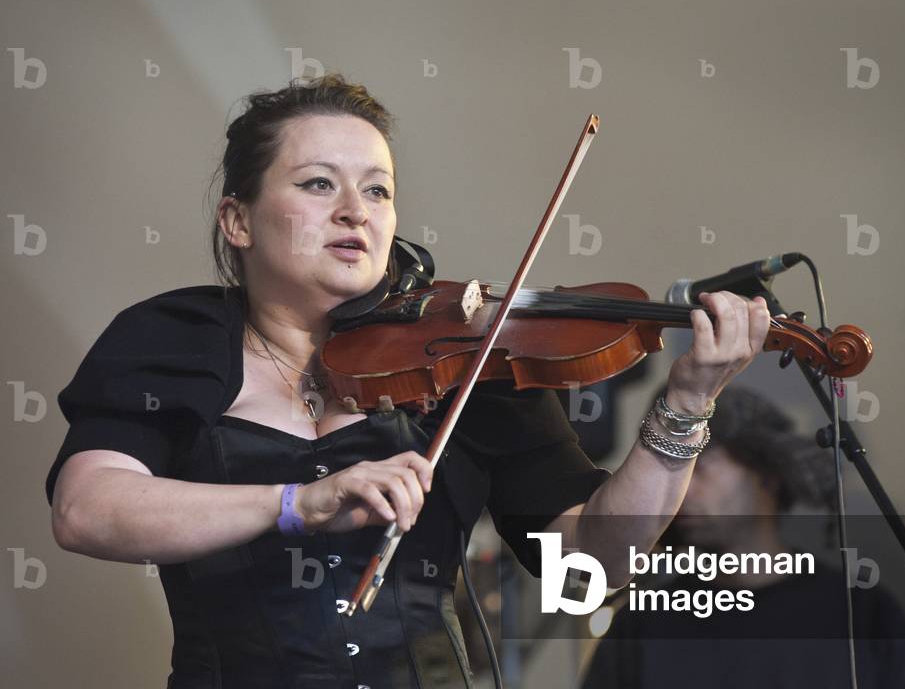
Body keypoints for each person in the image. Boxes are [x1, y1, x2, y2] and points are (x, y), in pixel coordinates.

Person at [44, 74, 771, 689]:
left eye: (378, 191)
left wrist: (687, 404)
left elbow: (590, 565)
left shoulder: (468, 356)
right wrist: (296, 502)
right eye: (318, 184)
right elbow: (86, 510)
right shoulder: (171, 340)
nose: (356, 211)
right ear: (237, 219)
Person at [581, 386, 905, 689]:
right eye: (671, 473)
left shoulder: (863, 615)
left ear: (767, 474)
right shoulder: (643, 624)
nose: (680, 492)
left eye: (698, 467)